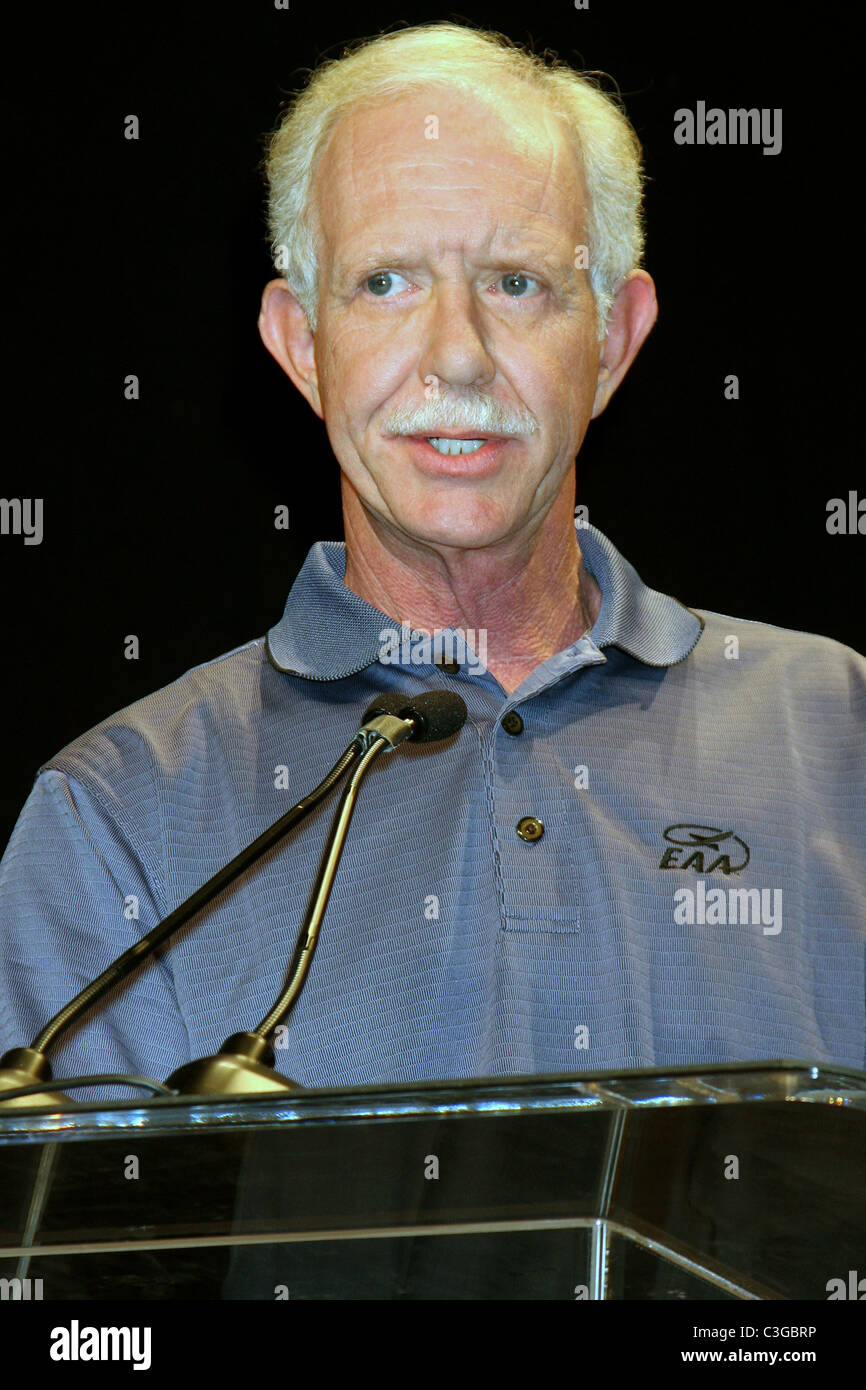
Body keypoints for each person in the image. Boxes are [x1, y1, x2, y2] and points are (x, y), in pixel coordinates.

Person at [1, 22, 864, 1100]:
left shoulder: (837, 735)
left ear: (612, 340)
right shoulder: (118, 815)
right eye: (384, 283)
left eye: (514, 283)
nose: (455, 353)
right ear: (299, 345)